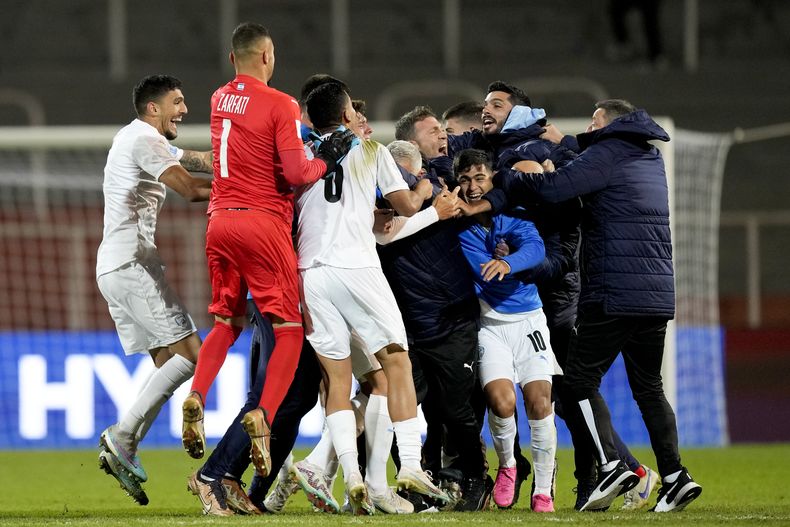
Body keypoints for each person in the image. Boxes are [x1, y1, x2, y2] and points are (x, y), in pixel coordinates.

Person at [471, 99, 703, 513]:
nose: (590, 129)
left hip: (616, 290)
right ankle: (675, 477)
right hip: (656, 293)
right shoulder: (647, 156)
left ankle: (611, 466)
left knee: (576, 381)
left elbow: (555, 187)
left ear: (610, 125)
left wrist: (505, 176)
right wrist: (566, 143)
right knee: (649, 388)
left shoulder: (606, 153)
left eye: (595, 122)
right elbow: (587, 161)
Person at [180, 22, 355, 479]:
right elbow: (297, 172)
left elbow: (249, 145)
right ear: (266, 56)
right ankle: (263, 415)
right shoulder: (281, 103)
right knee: (289, 329)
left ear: (232, 58)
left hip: (219, 222)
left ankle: (197, 395)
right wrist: (326, 159)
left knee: (226, 322)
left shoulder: (219, 98)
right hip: (262, 223)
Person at [292, 81, 451, 514]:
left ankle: (354, 478)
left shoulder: (300, 154)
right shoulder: (372, 151)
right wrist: (423, 190)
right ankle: (412, 464)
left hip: (311, 273)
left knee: (337, 380)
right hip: (357, 269)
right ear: (346, 114)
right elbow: (406, 206)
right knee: (397, 362)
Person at [96, 74, 213, 505]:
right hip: (132, 263)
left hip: (116, 266)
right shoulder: (144, 139)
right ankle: (123, 436)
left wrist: (243, 157)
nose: (184, 109)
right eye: (177, 102)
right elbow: (190, 189)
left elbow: (199, 159)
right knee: (192, 355)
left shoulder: (139, 138)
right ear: (153, 108)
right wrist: (254, 191)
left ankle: (124, 446)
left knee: (167, 363)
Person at [454, 149, 561, 513]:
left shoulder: (514, 213)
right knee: (501, 402)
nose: (472, 186)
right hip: (490, 324)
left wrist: (508, 262)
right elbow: (477, 266)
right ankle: (508, 466)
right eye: (465, 179)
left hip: (529, 320)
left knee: (539, 402)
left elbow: (536, 248)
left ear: (493, 179)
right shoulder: (459, 226)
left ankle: (543, 489)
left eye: (479, 178)